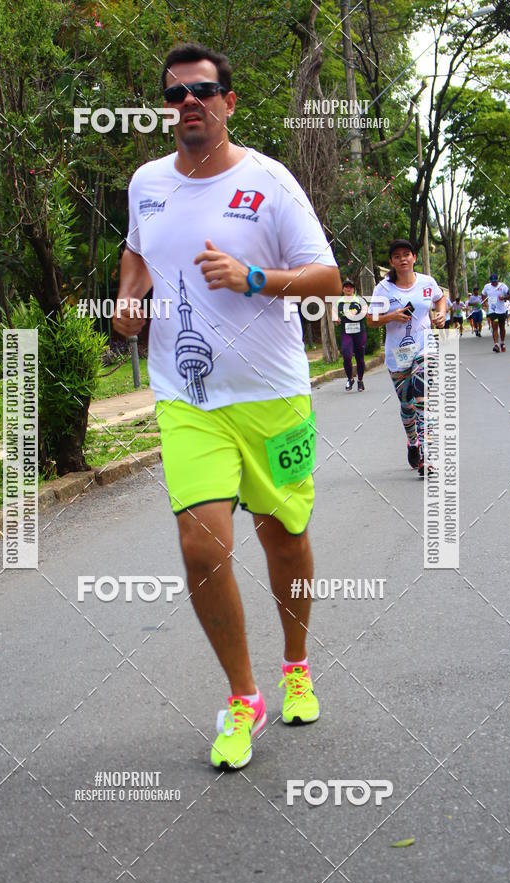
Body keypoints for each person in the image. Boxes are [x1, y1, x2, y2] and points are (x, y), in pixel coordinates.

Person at [112, 43, 341, 770]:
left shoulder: (269, 181)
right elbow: (139, 253)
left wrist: (255, 278)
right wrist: (127, 299)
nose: (190, 104)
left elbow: (328, 278)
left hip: (273, 395)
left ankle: (296, 664)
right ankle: (244, 698)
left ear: (229, 102)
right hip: (189, 398)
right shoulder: (146, 183)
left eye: (204, 91)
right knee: (201, 546)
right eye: (176, 94)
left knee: (284, 536)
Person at [367, 239, 445, 477]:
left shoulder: (427, 283)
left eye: (407, 254)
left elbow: (439, 298)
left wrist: (440, 313)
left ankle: (426, 456)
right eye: (397, 256)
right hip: (397, 354)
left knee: (422, 399)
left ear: (414, 258)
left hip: (424, 347)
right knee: (407, 404)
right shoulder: (383, 288)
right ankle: (413, 442)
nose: (402, 259)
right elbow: (371, 320)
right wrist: (391, 316)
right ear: (391, 261)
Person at [338, 278, 367, 392]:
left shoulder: (360, 300)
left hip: (359, 331)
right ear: (343, 289)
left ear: (353, 289)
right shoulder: (339, 301)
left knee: (360, 357)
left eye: (350, 286)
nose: (348, 288)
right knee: (346, 354)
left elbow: (366, 312)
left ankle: (360, 380)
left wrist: (356, 313)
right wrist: (336, 319)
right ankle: (350, 379)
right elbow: (335, 314)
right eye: (346, 286)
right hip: (346, 332)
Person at [482, 273, 510, 352]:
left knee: (502, 327)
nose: (494, 283)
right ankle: (496, 344)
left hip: (502, 311)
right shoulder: (487, 287)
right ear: (490, 281)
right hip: (493, 311)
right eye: (492, 282)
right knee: (494, 327)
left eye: (495, 281)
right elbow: (483, 294)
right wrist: (484, 302)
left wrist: (504, 297)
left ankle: (502, 343)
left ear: (498, 280)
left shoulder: (503, 286)